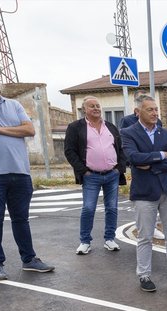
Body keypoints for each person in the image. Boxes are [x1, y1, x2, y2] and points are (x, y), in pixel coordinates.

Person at [0, 65, 55, 279]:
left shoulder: (14, 105)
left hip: (20, 173)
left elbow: (29, 130)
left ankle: (29, 259)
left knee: (21, 219)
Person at [120, 95, 167, 292]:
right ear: (138, 112)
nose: (155, 113)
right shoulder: (128, 133)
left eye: (156, 109)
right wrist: (160, 155)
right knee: (145, 236)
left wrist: (150, 165)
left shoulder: (165, 134)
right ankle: (144, 275)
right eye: (150, 110)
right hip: (144, 193)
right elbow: (132, 157)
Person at [64, 96, 127, 254]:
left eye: (98, 105)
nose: (96, 108)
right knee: (88, 208)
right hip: (90, 175)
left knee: (112, 208)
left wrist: (119, 168)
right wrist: (83, 171)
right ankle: (85, 242)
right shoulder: (75, 127)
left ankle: (110, 239)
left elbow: (121, 149)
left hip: (112, 174)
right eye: (92, 106)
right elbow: (69, 151)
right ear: (84, 109)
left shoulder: (110, 127)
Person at [118, 92, 165, 240]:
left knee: (157, 196)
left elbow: (165, 150)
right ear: (138, 107)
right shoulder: (127, 122)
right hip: (138, 168)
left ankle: (154, 226)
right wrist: (136, 161)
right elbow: (129, 150)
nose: (154, 112)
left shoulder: (158, 122)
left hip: (155, 166)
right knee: (142, 200)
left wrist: (153, 159)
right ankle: (143, 228)